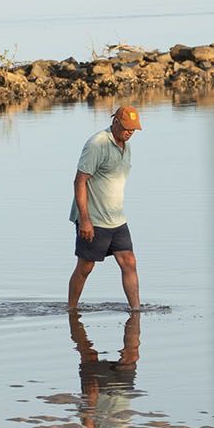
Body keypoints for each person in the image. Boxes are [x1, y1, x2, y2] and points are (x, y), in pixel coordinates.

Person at [67, 104, 143, 311]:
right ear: (115, 121)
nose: (129, 132)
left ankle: (136, 311)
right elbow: (79, 181)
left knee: (129, 261)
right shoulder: (97, 144)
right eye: (126, 127)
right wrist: (85, 220)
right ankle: (71, 310)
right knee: (85, 267)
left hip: (117, 218)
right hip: (94, 219)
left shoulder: (126, 147)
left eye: (133, 129)